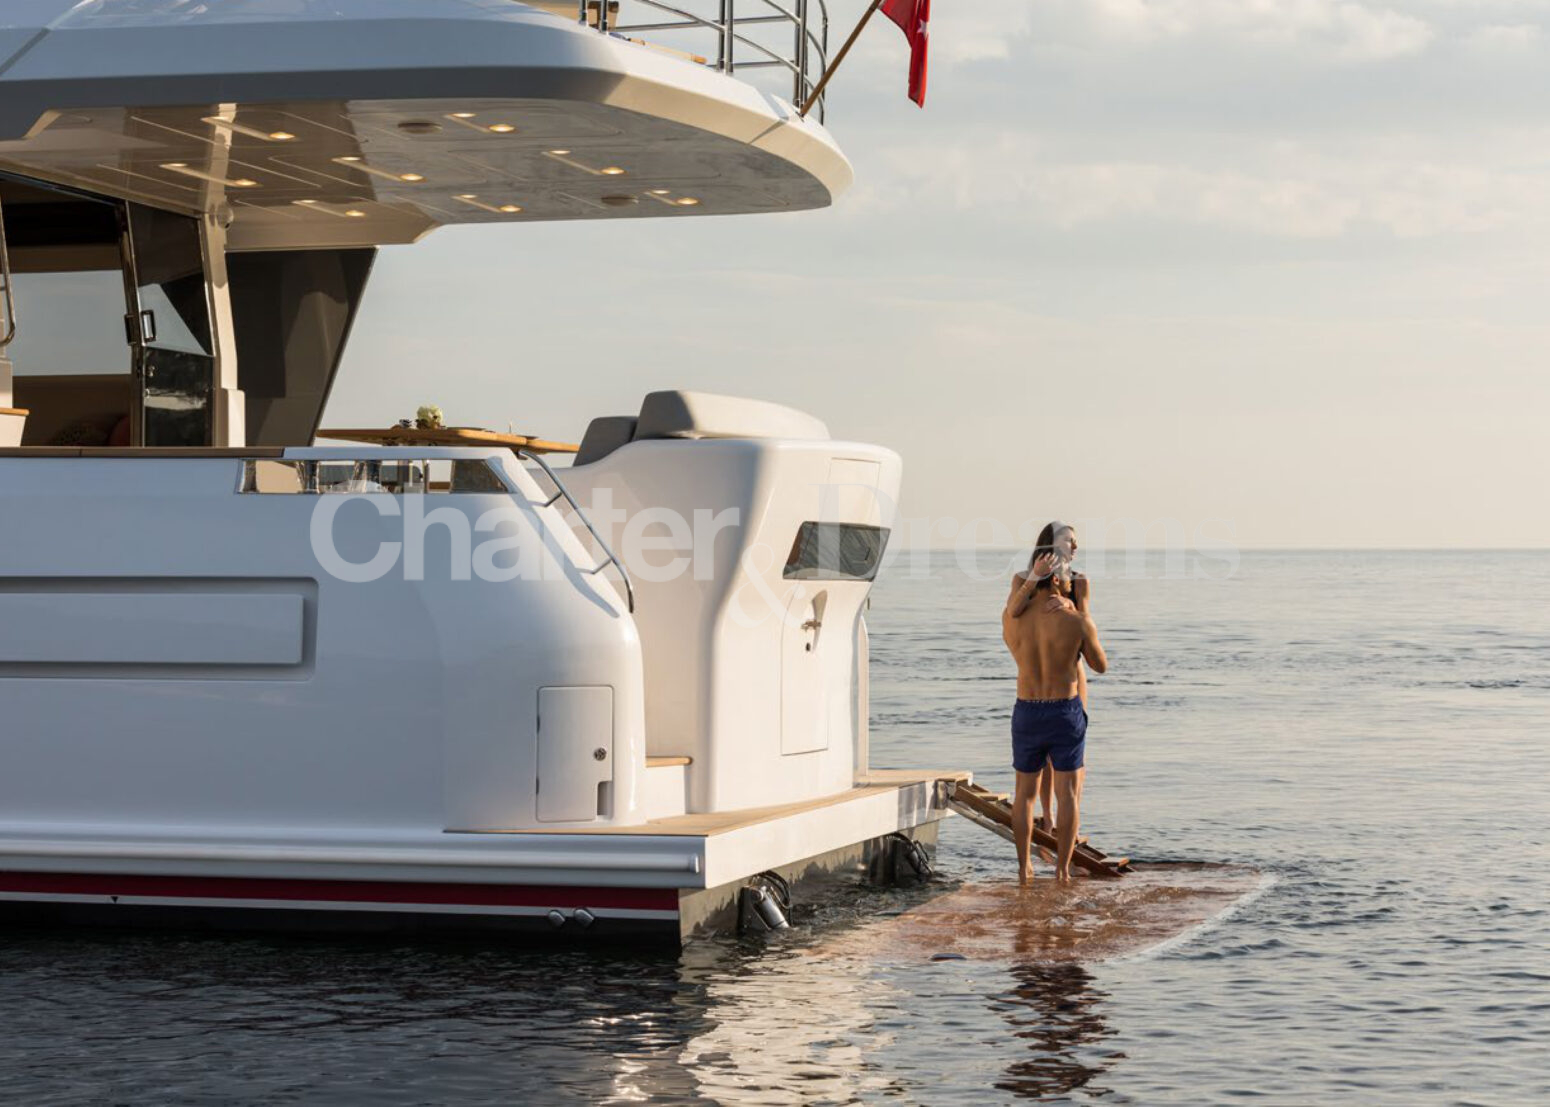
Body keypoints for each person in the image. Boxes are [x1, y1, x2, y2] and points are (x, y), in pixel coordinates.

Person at [1002, 522, 1107, 884]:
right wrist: (1079, 618)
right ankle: (1062, 870)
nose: (1074, 548)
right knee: (1069, 792)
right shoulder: (1072, 615)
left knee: (1023, 793)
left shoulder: (1016, 616)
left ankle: (1024, 869)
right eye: (1068, 542)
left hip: (1028, 705)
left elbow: (1012, 613)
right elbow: (1100, 664)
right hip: (1064, 702)